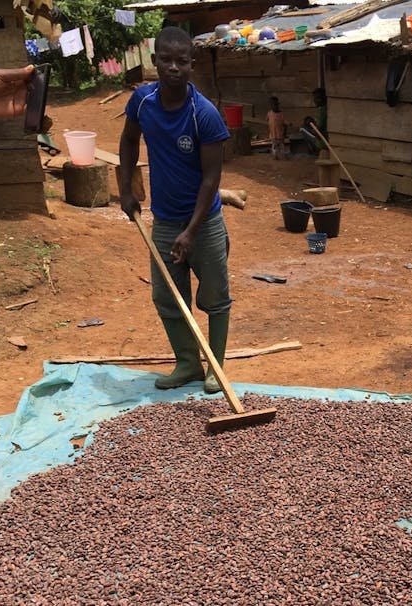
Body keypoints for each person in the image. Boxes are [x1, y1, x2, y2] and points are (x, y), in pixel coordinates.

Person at [119, 26, 231, 394]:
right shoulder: (142, 101)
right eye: (165, 60)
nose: (173, 67)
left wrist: (193, 230)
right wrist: (126, 188)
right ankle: (188, 364)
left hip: (204, 220)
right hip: (165, 220)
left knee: (215, 295)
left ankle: (215, 367)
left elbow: (211, 178)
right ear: (154, 62)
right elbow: (129, 140)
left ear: (191, 66)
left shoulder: (205, 115)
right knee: (168, 296)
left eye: (181, 61)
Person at [301, 87, 327, 154]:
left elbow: (318, 132)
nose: (314, 100)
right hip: (325, 139)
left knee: (302, 129)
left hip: (322, 143)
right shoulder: (325, 108)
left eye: (317, 98)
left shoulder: (322, 111)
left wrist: (310, 128)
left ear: (322, 99)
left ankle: (313, 151)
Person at [266, 95, 287, 160]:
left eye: (275, 104)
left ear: (278, 105)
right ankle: (275, 156)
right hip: (273, 135)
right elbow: (268, 122)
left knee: (281, 146)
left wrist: (284, 134)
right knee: (274, 146)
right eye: (272, 105)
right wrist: (269, 131)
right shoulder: (269, 113)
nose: (274, 106)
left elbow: (285, 124)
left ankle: (282, 156)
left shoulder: (281, 114)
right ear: (270, 105)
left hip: (280, 135)